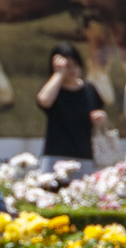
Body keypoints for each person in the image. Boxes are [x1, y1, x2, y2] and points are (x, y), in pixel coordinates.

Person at [35, 42, 108, 175]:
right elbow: (44, 101)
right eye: (67, 66)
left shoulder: (89, 89)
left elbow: (100, 114)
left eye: (75, 64)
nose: (73, 70)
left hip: (85, 158)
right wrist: (58, 75)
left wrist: (101, 118)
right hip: (55, 158)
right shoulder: (52, 89)